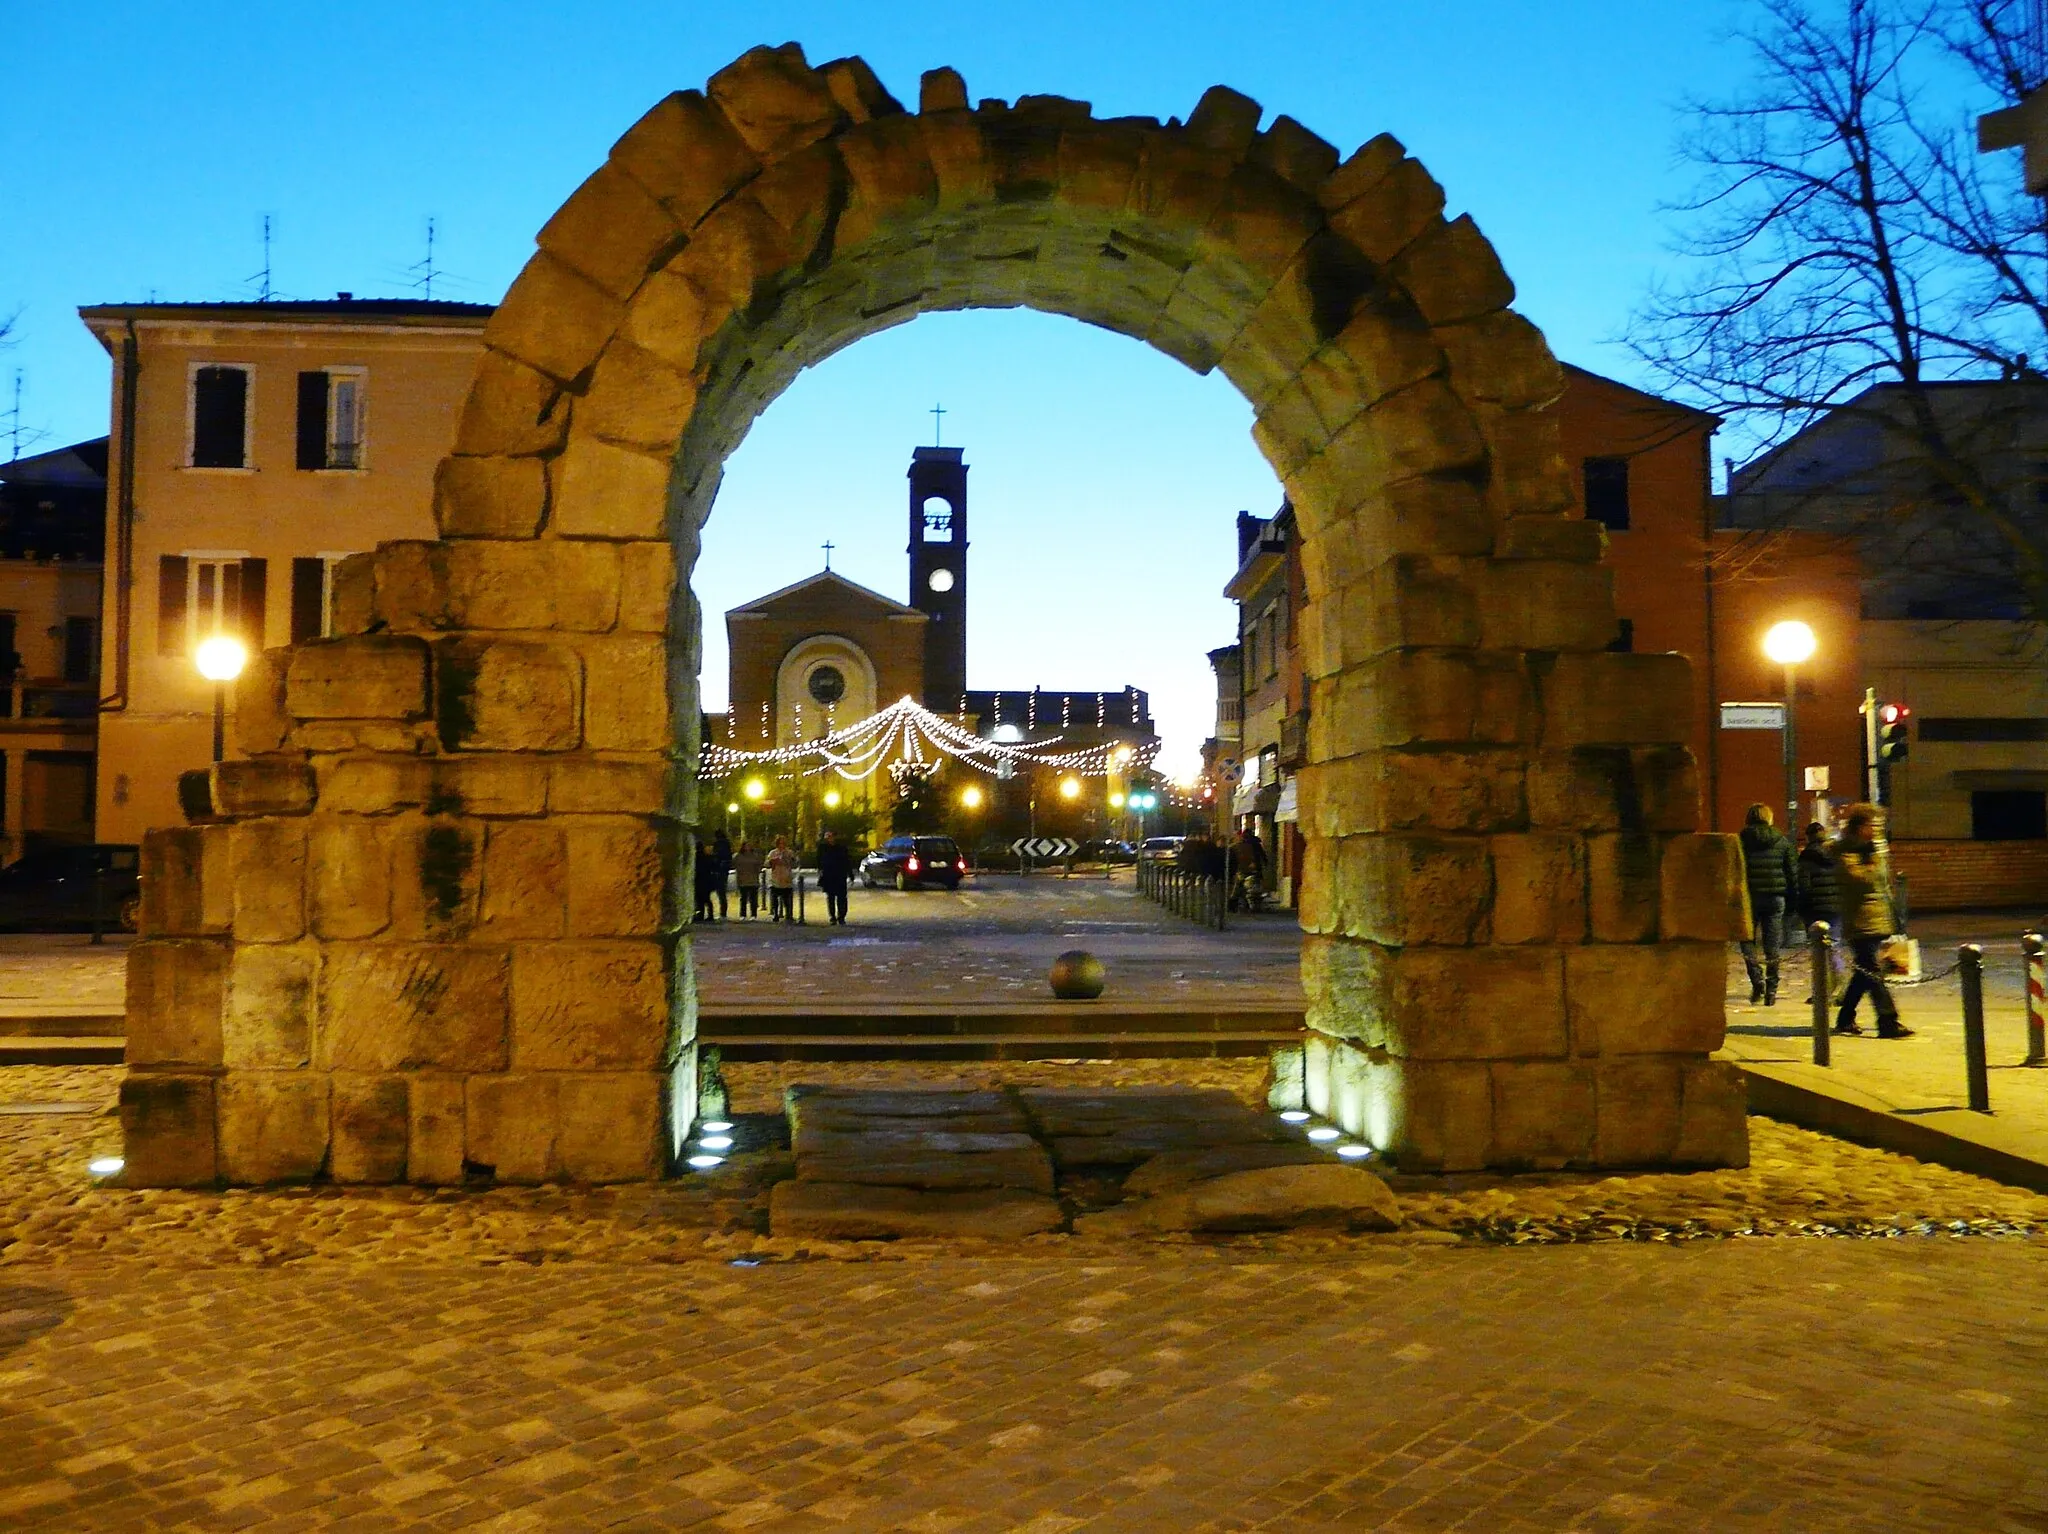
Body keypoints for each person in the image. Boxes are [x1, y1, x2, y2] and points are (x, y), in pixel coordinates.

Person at [1832, 803, 1914, 1038]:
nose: (1878, 829)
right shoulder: (1846, 850)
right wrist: (1875, 859)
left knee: (1864, 973)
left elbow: (1883, 885)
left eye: (1880, 825)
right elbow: (1857, 880)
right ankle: (1888, 1021)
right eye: (1873, 825)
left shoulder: (1873, 850)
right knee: (1872, 971)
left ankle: (1845, 1017)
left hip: (1878, 918)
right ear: (1859, 827)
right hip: (1860, 920)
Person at [1737, 803, 1797, 1006]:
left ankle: (1757, 982)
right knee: (1773, 945)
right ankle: (1771, 991)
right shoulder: (1782, 841)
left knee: (1747, 941)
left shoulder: (1740, 841)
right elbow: (1792, 872)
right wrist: (1793, 899)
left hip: (1749, 897)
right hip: (1775, 897)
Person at [1795, 820, 1844, 1003]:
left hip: (1815, 909)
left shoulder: (1806, 857)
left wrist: (1801, 908)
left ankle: (1822, 992)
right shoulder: (1836, 853)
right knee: (1835, 947)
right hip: (1836, 907)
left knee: (1818, 952)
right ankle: (1839, 988)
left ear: (1808, 837)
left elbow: (1804, 886)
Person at [816, 829, 854, 926]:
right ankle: (832, 916)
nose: (829, 838)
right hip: (828, 875)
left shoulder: (841, 848)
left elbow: (847, 860)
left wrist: (850, 875)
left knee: (842, 897)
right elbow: (819, 860)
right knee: (830, 897)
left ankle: (841, 916)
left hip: (840, 874)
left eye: (830, 836)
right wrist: (820, 871)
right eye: (827, 837)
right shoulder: (823, 848)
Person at [1230, 827, 1268, 912]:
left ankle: (1240, 904)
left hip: (1245, 869)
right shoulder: (1255, 844)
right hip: (1254, 868)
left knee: (1240, 887)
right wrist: (1264, 863)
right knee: (1252, 886)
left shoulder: (1241, 846)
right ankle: (1250, 903)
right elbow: (1262, 855)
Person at [766, 835, 797, 923]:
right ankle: (775, 914)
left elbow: (794, 862)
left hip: (786, 877)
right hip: (776, 877)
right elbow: (767, 863)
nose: (782, 845)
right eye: (780, 843)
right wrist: (772, 861)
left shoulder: (789, 852)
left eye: (783, 843)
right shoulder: (773, 852)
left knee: (787, 898)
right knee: (775, 897)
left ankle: (789, 914)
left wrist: (790, 860)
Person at [731, 838, 764, 920]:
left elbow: (759, 865)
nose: (748, 847)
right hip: (742, 880)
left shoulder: (755, 856)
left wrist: (758, 870)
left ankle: (753, 914)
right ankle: (743, 914)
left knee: (753, 899)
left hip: (753, 880)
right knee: (743, 898)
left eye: (749, 845)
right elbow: (733, 864)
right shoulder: (737, 856)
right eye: (746, 845)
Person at [692, 838, 720, 924]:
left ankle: (700, 914)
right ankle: (710, 915)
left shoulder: (695, 858)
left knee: (699, 899)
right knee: (707, 899)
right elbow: (714, 867)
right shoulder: (708, 857)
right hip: (707, 880)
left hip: (698, 880)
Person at [711, 828, 734, 921]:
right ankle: (723, 911)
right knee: (722, 891)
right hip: (724, 869)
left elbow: (716, 856)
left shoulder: (718, 844)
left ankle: (722, 911)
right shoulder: (727, 843)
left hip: (719, 869)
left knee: (720, 891)